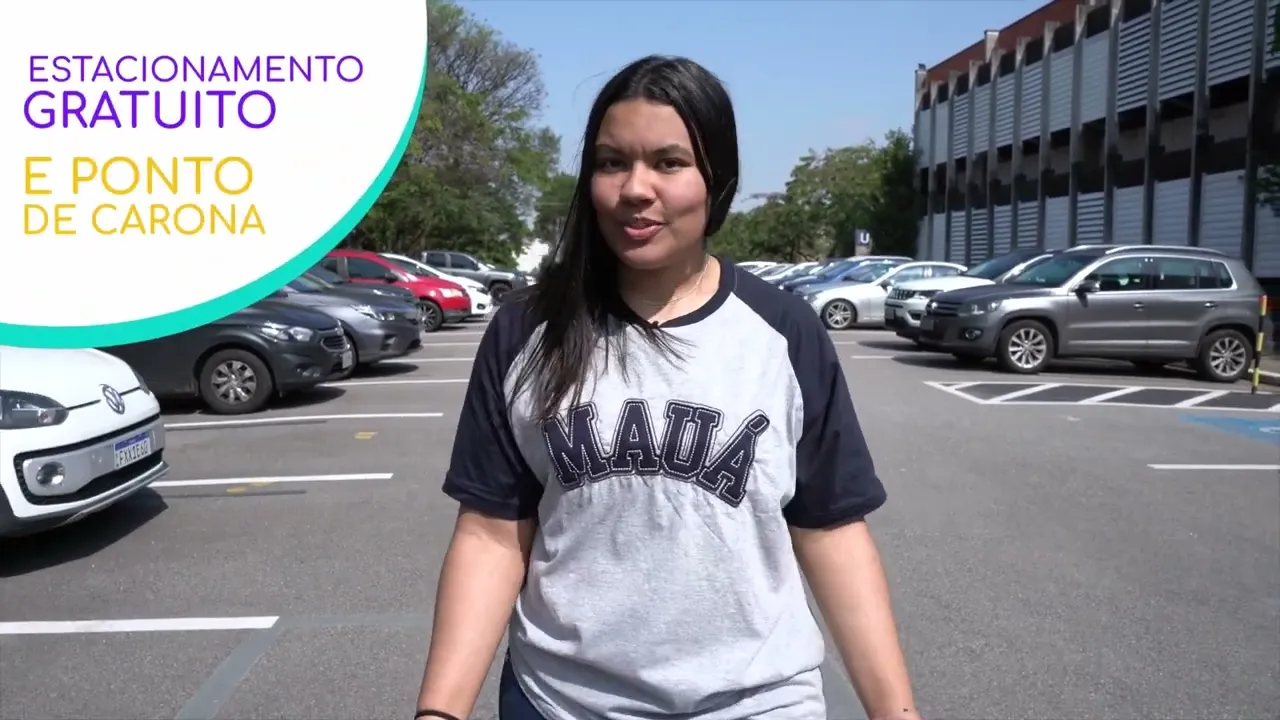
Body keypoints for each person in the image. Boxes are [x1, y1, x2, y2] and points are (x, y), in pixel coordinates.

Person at [414, 54, 921, 720]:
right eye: (611, 162)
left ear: (718, 180)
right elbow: (490, 536)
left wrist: (896, 711)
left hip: (756, 704)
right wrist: (439, 712)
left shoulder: (783, 333)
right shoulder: (527, 330)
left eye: (669, 162)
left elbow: (831, 532)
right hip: (561, 702)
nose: (635, 188)